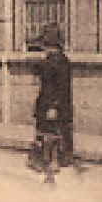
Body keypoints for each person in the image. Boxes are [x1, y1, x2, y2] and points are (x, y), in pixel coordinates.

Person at [31, 22, 76, 171]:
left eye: (45, 44)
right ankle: (51, 160)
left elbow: (59, 88)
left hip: (52, 105)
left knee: (51, 134)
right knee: (53, 133)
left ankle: (52, 162)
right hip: (56, 104)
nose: (44, 49)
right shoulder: (61, 60)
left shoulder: (55, 62)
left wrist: (52, 107)